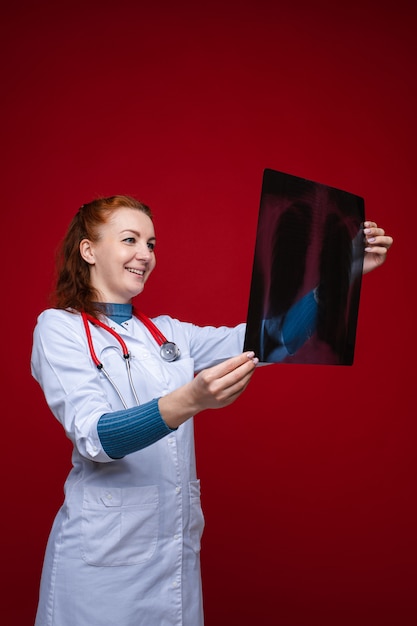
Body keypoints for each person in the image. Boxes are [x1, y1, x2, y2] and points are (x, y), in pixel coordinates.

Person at [31, 195, 393, 626]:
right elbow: (97, 437)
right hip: (98, 569)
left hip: (170, 561)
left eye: (151, 244)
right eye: (130, 239)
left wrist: (342, 272)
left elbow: (274, 339)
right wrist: (191, 400)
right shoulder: (59, 328)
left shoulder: (168, 334)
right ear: (88, 250)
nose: (145, 255)